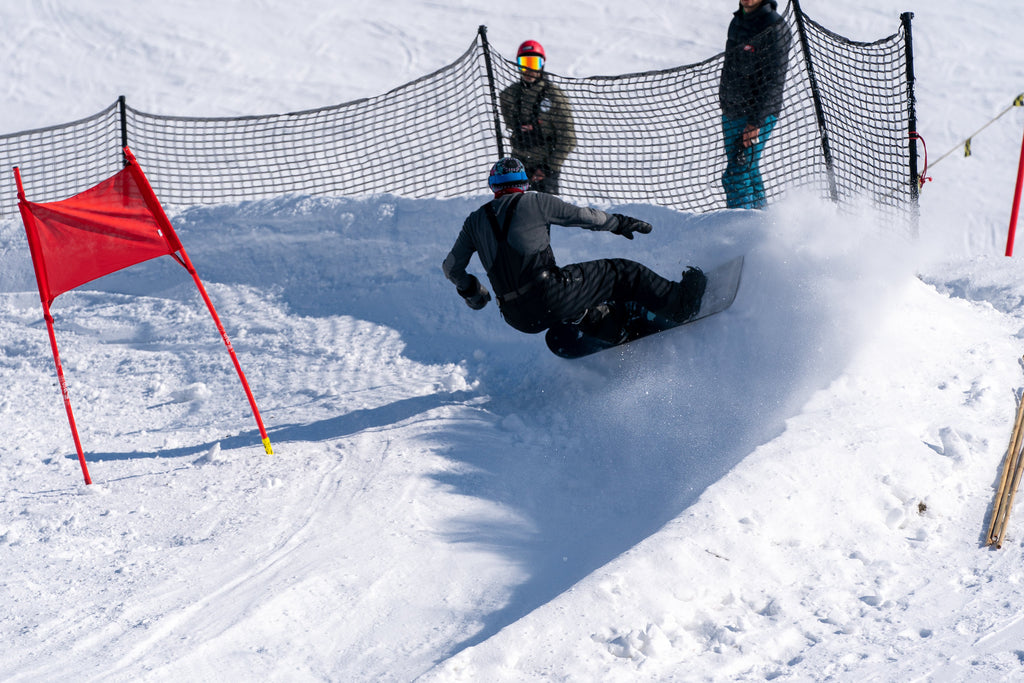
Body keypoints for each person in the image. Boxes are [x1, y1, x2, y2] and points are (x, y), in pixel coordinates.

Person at [442, 157, 706, 342]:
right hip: (551, 296)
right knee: (622, 272)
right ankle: (680, 304)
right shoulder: (535, 202)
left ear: (493, 187)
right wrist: (620, 223)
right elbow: (585, 217)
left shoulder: (474, 221)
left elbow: (451, 267)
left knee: (573, 297)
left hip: (516, 317)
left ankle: (611, 329)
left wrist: (475, 294)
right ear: (524, 184)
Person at [718, 0, 792, 209]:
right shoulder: (738, 21)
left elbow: (774, 81)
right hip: (732, 111)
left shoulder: (774, 27)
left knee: (736, 174)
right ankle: (762, 224)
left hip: (755, 115)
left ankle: (740, 231)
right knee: (748, 169)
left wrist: (755, 123)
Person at [499, 40, 576, 195]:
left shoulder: (554, 97)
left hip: (544, 173)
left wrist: (547, 168)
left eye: (533, 63)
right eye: (524, 63)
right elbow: (511, 123)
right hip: (518, 168)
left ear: (542, 65)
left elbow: (568, 139)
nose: (528, 69)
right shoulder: (509, 95)